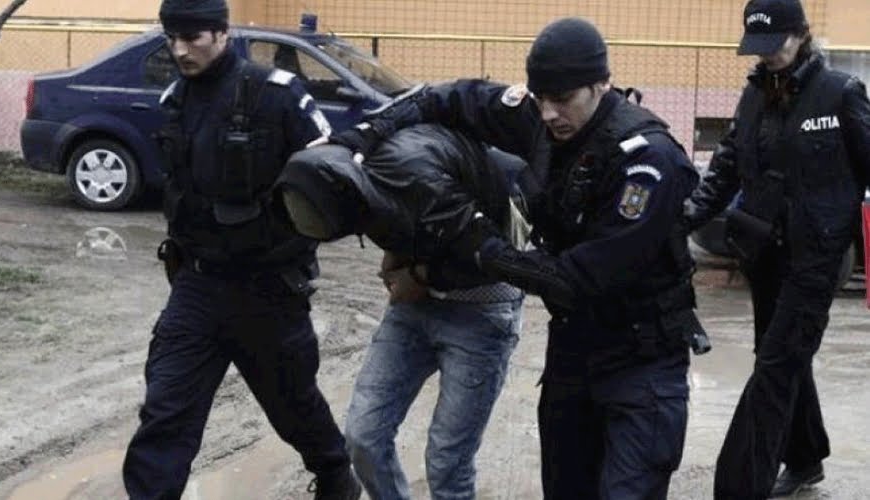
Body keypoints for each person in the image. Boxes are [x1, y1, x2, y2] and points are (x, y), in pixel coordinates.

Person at [326, 17, 704, 499]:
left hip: (641, 362)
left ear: (601, 84)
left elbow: (576, 280)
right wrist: (361, 137)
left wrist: (483, 246)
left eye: (562, 99)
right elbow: (441, 98)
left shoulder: (646, 162)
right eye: (540, 98)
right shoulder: (544, 117)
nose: (548, 113)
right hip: (574, 353)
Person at [121, 1, 361, 498]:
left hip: (268, 290)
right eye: (172, 38)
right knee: (166, 412)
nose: (180, 50)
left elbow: (333, 177)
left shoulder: (277, 96)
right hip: (198, 285)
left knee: (293, 405)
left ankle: (337, 476)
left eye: (193, 37)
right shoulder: (176, 99)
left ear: (222, 32)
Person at [274, 125, 526, 499]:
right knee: (363, 437)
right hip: (413, 310)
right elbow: (400, 223)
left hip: (483, 311)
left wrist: (420, 276)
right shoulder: (362, 174)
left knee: (447, 462)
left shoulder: (430, 177)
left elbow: (499, 258)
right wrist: (397, 258)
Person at [681, 0, 870, 497]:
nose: (768, 55)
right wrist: (681, 219)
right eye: (759, 47)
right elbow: (725, 167)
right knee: (780, 355)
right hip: (765, 251)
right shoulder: (753, 96)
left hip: (818, 256)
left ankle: (740, 487)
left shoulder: (841, 94)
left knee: (775, 366)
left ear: (802, 34)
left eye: (777, 44)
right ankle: (805, 459)